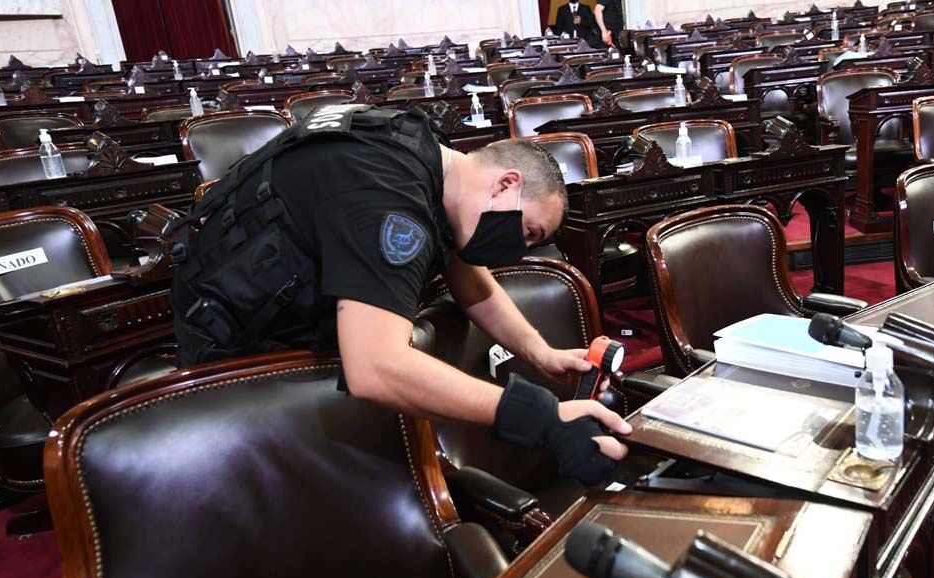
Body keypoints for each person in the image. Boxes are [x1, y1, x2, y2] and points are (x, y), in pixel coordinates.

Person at [169, 104, 630, 485]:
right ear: (506, 184)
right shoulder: (389, 195)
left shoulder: (430, 161)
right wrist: (544, 418)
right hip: (237, 369)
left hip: (289, 336)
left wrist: (542, 354)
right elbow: (376, 368)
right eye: (528, 231)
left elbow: (471, 281)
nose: (521, 249)